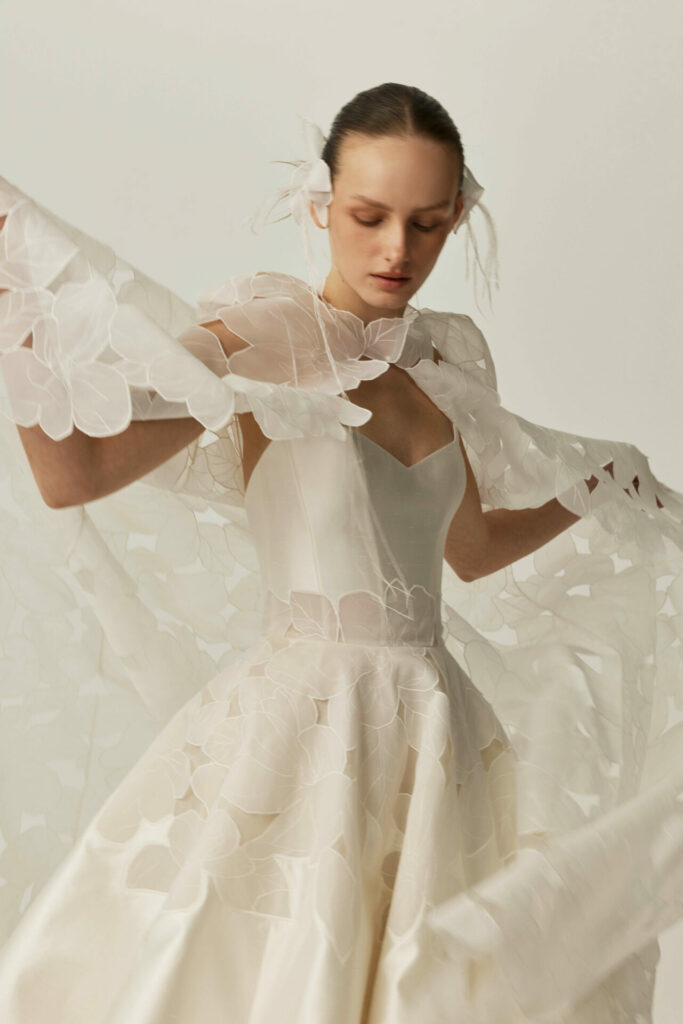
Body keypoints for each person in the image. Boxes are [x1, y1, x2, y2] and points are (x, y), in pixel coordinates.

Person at [0, 81, 681, 1024]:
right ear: (319, 206)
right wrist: (19, 304)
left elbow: (473, 548)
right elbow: (75, 473)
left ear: (458, 218)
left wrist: (596, 484)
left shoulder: (441, 366)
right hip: (305, 732)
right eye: (367, 217)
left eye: (427, 224)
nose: (396, 250)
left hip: (433, 735)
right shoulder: (267, 334)